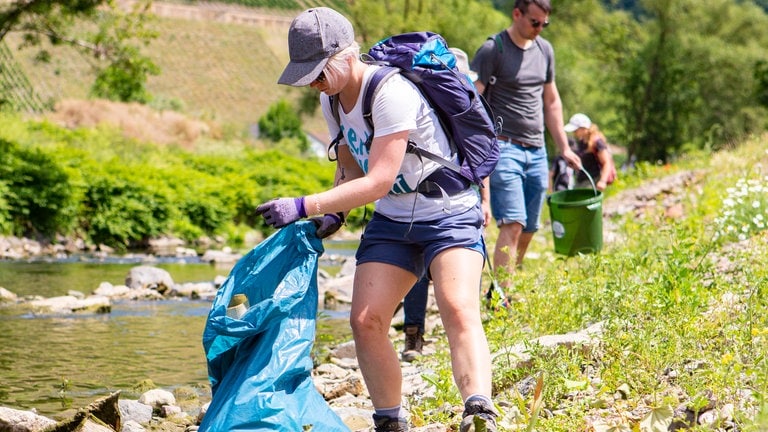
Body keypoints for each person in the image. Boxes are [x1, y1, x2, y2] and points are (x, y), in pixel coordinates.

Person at [255, 7, 497, 432]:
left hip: (449, 210)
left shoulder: (391, 92)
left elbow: (380, 178)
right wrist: (334, 213)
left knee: (458, 308)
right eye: (306, 73)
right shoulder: (330, 99)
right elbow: (349, 170)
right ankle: (390, 421)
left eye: (318, 70)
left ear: (347, 55)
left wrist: (302, 204)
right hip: (394, 219)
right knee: (365, 320)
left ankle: (478, 411)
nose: (313, 80)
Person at [470, 0, 581, 286]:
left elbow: (552, 101)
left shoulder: (545, 50)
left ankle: (506, 281)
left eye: (545, 23)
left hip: (537, 149)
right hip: (503, 147)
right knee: (513, 222)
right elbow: (471, 101)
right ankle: (500, 297)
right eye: (535, 22)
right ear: (516, 14)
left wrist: (564, 147)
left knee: (530, 226)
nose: (540, 28)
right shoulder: (493, 49)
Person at [397, 47, 490, 363]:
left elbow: (481, 160)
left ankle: (465, 334)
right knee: (417, 272)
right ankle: (413, 334)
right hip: (419, 204)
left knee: (465, 267)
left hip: (462, 204)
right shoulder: (421, 109)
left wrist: (486, 202)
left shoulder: (468, 111)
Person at [564, 113, 616, 191]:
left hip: (592, 180)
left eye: (575, 130)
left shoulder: (597, 142)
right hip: (581, 179)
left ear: (583, 128)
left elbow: (606, 163)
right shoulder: (582, 142)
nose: (574, 132)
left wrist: (602, 181)